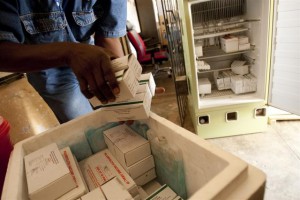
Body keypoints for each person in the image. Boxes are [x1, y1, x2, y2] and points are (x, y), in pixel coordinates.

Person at [0, 0, 127, 123]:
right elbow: (3, 52)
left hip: (91, 55)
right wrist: (69, 53)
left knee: (118, 114)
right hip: (47, 68)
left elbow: (108, 37)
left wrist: (123, 88)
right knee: (89, 126)